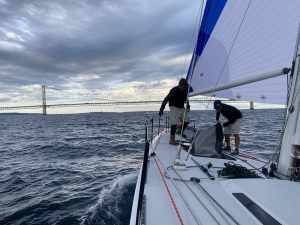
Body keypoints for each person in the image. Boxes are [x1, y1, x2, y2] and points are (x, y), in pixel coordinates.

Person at [159, 78, 190, 145]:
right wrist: (161, 108)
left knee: (187, 120)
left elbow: (186, 98)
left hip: (181, 107)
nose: (184, 88)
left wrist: (188, 104)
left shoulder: (186, 90)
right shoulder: (173, 90)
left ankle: (180, 130)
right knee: (174, 123)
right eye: (182, 87)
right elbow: (166, 99)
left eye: (185, 87)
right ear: (179, 85)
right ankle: (171, 139)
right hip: (174, 107)